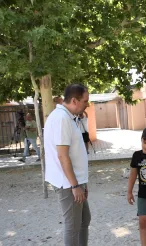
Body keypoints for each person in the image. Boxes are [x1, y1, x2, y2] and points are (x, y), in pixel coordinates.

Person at [44, 84, 91, 246]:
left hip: (75, 181)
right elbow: (63, 156)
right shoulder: (62, 119)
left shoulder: (67, 117)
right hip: (68, 183)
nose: (87, 105)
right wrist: (75, 185)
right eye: (85, 101)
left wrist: (82, 182)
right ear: (74, 100)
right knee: (72, 227)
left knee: (84, 220)